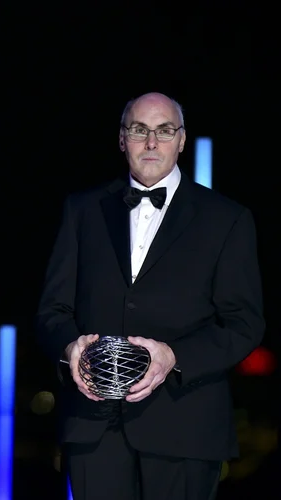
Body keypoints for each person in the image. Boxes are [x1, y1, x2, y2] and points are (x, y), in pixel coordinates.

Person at [35, 91, 265, 499]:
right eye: (140, 131)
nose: (152, 143)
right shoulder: (81, 210)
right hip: (93, 426)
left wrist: (174, 357)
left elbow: (244, 323)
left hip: (186, 426)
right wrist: (70, 347)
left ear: (181, 139)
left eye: (164, 131)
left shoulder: (227, 218)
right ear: (122, 138)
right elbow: (53, 309)